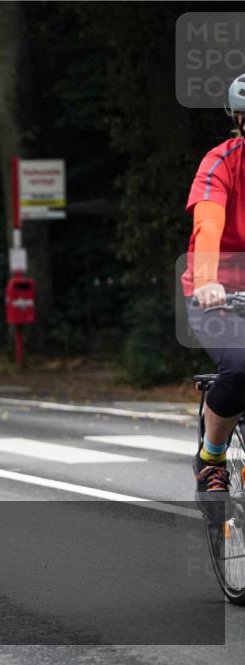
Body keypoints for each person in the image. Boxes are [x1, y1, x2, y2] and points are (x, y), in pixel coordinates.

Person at [184, 73, 245, 500]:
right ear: (241, 121)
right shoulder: (220, 162)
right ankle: (213, 457)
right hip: (220, 294)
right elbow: (208, 223)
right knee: (241, 366)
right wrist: (207, 281)